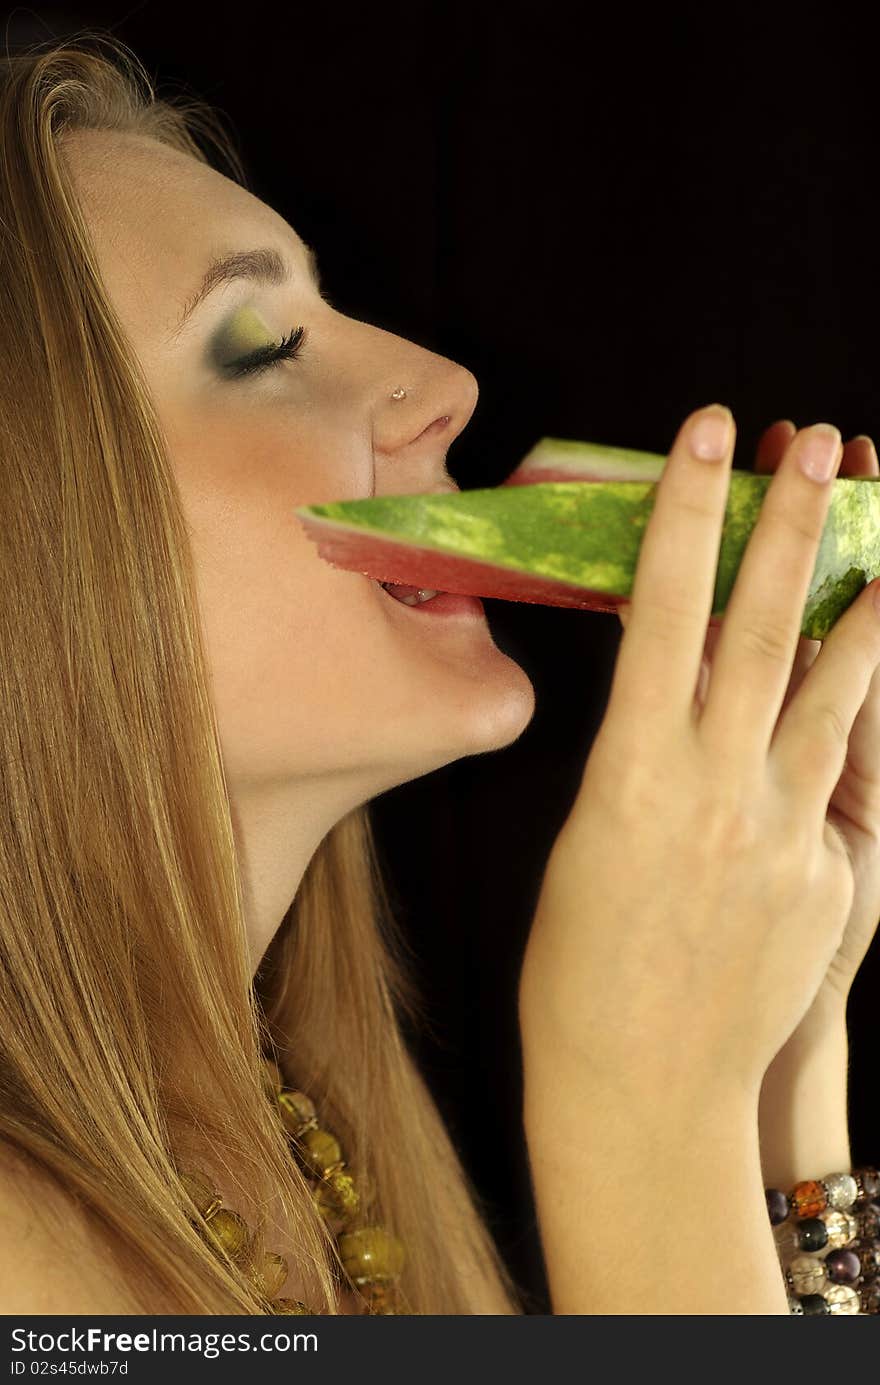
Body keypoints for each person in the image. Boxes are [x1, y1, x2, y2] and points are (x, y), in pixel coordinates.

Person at [0, 33, 877, 1316]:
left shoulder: (296, 1145)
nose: (449, 386)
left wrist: (784, 1038)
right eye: (261, 346)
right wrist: (635, 1100)